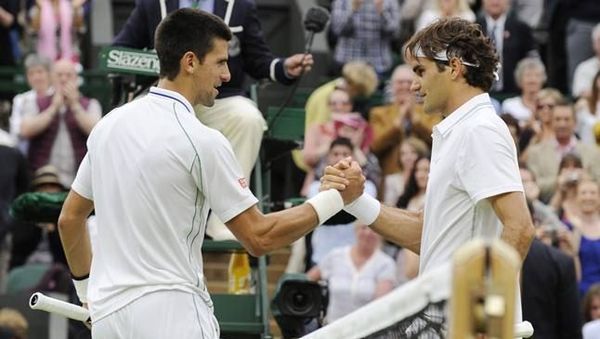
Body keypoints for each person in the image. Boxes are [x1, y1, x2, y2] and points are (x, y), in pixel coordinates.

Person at [57, 9, 363, 338]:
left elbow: (69, 221)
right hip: (171, 314)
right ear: (190, 62)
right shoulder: (203, 140)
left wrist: (87, 293)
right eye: (220, 62)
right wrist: (335, 198)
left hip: (109, 319)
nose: (228, 74)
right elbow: (260, 237)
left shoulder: (108, 126)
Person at [321, 17, 535, 324]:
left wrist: (483, 316)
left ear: (454, 68)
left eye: (420, 71)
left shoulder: (480, 129)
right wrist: (356, 200)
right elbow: (429, 234)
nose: (413, 84)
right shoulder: (461, 130)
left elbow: (520, 227)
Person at [113, 0, 313, 240]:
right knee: (129, 122)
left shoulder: (241, 6)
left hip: (219, 98)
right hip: (166, 92)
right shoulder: (153, 3)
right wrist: (167, 62)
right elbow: (118, 52)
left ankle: (227, 221)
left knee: (248, 118)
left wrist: (282, 68)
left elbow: (258, 59)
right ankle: (139, 216)